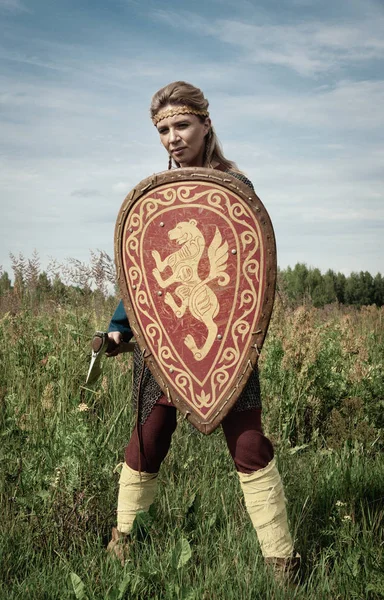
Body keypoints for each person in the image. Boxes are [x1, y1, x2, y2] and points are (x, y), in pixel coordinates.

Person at [105, 81, 299, 583]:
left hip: (224, 349)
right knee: (146, 442)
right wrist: (120, 330)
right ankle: (123, 546)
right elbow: (144, 277)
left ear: (206, 124)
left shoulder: (233, 189)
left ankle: (281, 562)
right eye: (163, 129)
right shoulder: (155, 202)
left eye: (182, 125)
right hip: (161, 348)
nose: (173, 137)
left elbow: (247, 270)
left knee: (250, 447)